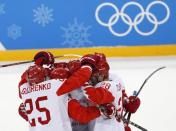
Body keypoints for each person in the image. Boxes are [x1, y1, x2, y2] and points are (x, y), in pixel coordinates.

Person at [57, 53, 140, 131]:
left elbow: (120, 100)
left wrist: (128, 103)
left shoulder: (105, 83)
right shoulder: (114, 79)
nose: (92, 77)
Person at [18, 51, 73, 131]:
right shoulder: (55, 85)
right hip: (59, 126)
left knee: (22, 109)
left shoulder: (24, 89)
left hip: (39, 126)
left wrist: (37, 63)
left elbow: (26, 78)